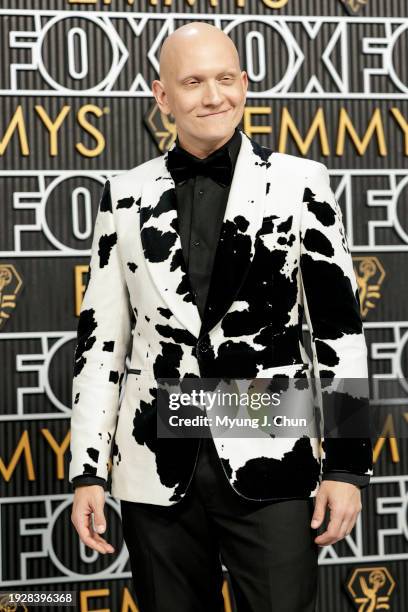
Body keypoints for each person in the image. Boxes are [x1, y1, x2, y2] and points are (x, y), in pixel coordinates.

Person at [69, 22, 373, 612]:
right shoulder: (124, 195)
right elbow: (101, 342)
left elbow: (339, 331)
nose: (214, 96)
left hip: (271, 444)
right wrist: (88, 471)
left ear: (245, 84)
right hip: (156, 459)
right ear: (163, 97)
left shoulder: (298, 183)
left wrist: (346, 463)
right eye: (193, 82)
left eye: (225, 79)